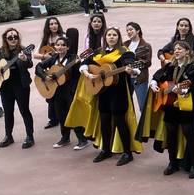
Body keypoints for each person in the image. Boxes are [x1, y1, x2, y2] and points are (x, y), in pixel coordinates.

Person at [79, 27, 142, 166]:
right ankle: (106, 150)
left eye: (114, 35)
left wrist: (131, 69)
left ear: (118, 37)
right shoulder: (99, 53)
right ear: (105, 37)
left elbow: (132, 65)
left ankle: (127, 152)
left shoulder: (124, 52)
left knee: (120, 120)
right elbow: (85, 64)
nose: (111, 37)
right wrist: (88, 73)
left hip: (119, 92)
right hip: (103, 92)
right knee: (104, 120)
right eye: (109, 35)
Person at [141, 40, 194, 178]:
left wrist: (178, 88)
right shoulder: (170, 65)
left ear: (187, 51)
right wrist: (153, 83)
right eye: (175, 49)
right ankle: (172, 163)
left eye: (180, 49)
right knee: (171, 134)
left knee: (189, 134)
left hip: (186, 104)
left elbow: (190, 82)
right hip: (170, 105)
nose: (177, 51)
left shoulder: (193, 66)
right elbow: (158, 76)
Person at [34, 35, 89, 149]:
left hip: (69, 90)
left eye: (63, 45)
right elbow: (38, 67)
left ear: (68, 47)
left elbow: (78, 75)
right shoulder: (53, 58)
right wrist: (45, 76)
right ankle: (65, 138)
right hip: (57, 91)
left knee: (73, 113)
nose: (60, 47)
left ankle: (82, 139)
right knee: (61, 114)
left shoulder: (73, 58)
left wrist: (78, 64)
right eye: (58, 45)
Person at [0, 28, 35, 149]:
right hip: (5, 87)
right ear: (5, 39)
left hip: (20, 85)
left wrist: (25, 59)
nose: (13, 39)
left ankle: (30, 136)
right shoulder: (0, 51)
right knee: (8, 112)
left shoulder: (24, 50)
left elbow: (29, 64)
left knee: (24, 110)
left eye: (15, 37)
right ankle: (8, 136)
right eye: (10, 37)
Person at [158, 17, 194, 135]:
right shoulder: (174, 39)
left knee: (193, 100)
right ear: (177, 27)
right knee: (176, 100)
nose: (183, 28)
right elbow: (161, 51)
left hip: (191, 73)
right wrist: (165, 60)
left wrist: (193, 56)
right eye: (181, 25)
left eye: (186, 26)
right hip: (176, 73)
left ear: (189, 28)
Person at [34, 17, 79, 129]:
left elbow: (70, 55)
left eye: (55, 23)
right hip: (51, 69)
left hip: (64, 71)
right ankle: (54, 120)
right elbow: (35, 55)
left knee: (67, 101)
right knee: (52, 98)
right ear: (48, 26)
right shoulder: (46, 39)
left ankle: (77, 131)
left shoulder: (63, 37)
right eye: (51, 24)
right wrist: (47, 57)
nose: (54, 26)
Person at [125, 22, 153, 114]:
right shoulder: (124, 44)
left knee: (142, 105)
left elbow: (148, 62)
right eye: (127, 30)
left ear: (138, 30)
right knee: (127, 105)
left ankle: (143, 128)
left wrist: (136, 65)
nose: (129, 32)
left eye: (131, 29)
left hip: (140, 78)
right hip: (126, 78)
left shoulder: (146, 45)